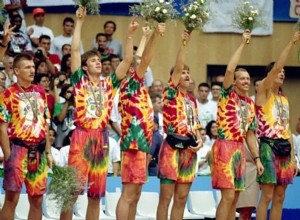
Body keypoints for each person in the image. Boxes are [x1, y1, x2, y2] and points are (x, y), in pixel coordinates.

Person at [59, 6, 138, 220]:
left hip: (101, 138)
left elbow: (127, 61)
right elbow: (75, 51)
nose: (98, 63)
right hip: (81, 136)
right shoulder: (79, 81)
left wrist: (129, 36)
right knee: (72, 191)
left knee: (96, 195)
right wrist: (80, 22)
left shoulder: (109, 84)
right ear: (85, 67)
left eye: (99, 61)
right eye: (93, 61)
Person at [211, 31, 263, 220]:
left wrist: (257, 158)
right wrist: (242, 43)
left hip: (239, 150)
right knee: (228, 196)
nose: (246, 81)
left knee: (236, 198)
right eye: (242, 78)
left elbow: (250, 134)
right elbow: (230, 69)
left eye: (248, 78)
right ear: (234, 82)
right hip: (225, 146)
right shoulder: (227, 95)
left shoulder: (250, 104)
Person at [116, 22, 165, 220]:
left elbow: (139, 59)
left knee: (136, 194)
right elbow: (143, 59)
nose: (143, 67)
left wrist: (143, 37)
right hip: (133, 143)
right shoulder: (130, 82)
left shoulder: (137, 84)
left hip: (142, 143)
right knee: (128, 194)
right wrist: (154, 36)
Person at [0, 53, 54, 220]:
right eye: (27, 67)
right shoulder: (7, 94)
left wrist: (48, 151)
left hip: (37, 150)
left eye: (33, 67)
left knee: (37, 199)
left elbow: (45, 122)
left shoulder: (40, 92)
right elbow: (2, 127)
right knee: (12, 198)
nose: (32, 70)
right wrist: (8, 155)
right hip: (17, 148)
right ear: (16, 71)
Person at [156, 30, 202, 220]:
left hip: (189, 150)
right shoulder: (170, 93)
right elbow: (178, 67)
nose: (185, 75)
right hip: (172, 149)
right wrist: (184, 43)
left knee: (182, 198)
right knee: (166, 197)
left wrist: (199, 141)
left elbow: (196, 126)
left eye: (188, 73)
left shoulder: (192, 100)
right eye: (182, 72)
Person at [255, 31, 300, 220]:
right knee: (267, 194)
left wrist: (294, 157)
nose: (282, 73)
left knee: (280, 196)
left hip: (284, 147)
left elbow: (286, 128)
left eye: (284, 72)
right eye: (278, 71)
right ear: (269, 75)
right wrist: (291, 42)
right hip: (268, 147)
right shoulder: (263, 92)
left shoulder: (283, 98)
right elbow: (277, 67)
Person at [236, 143, 260, 220]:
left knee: (248, 210)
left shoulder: (258, 134)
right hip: (242, 169)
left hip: (255, 170)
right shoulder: (239, 133)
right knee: (244, 210)